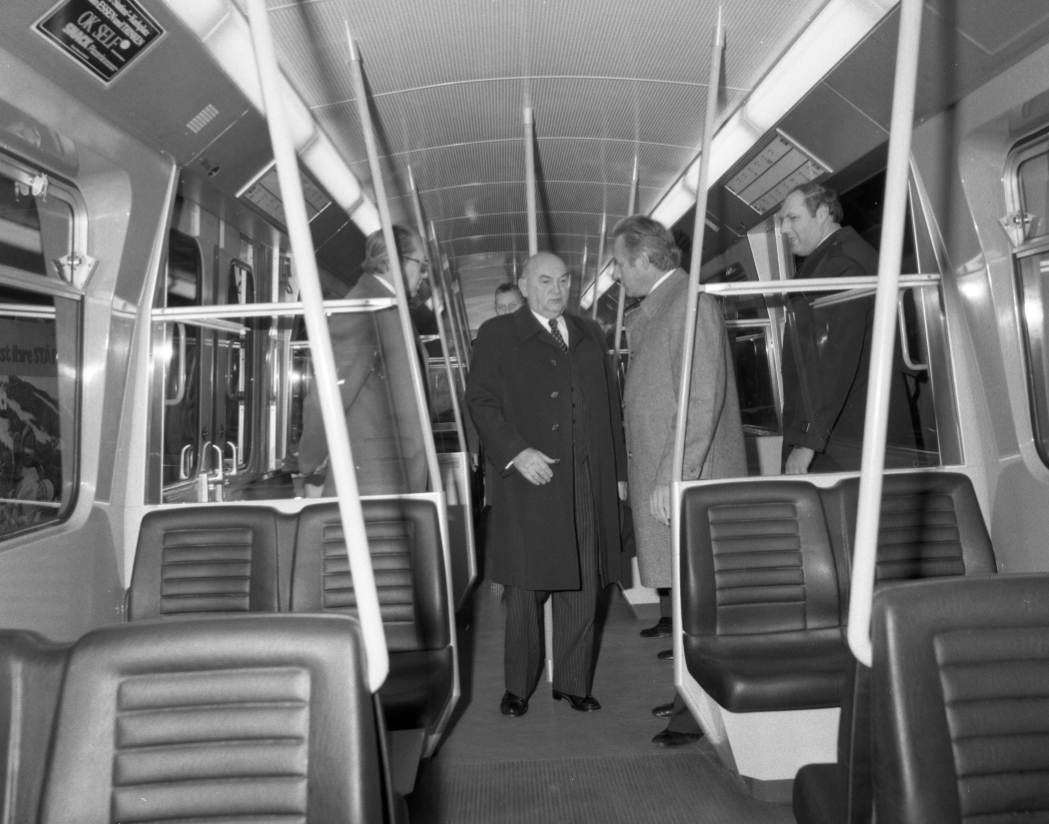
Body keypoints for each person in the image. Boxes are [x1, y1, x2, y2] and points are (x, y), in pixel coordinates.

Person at [465, 252, 628, 717]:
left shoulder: (590, 333)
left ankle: (573, 683)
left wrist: (616, 475)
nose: (556, 290)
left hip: (587, 477)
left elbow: (610, 411)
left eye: (563, 280)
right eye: (544, 281)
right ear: (524, 284)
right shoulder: (497, 335)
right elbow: (480, 401)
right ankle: (518, 686)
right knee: (526, 591)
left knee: (582, 584)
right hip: (531, 480)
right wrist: (517, 451)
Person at [612, 215, 747, 747]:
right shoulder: (665, 307)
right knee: (691, 602)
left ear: (646, 258)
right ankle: (687, 695)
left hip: (690, 479)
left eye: (622, 264)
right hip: (672, 476)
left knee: (701, 599)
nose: (618, 275)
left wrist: (674, 476)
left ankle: (696, 708)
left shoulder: (689, 305)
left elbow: (698, 400)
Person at [298, 225, 430, 496]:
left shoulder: (390, 307)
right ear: (396, 262)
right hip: (371, 483)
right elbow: (330, 394)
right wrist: (309, 466)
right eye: (422, 264)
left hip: (393, 476)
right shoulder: (361, 307)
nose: (425, 273)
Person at [779, 183, 879, 474]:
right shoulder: (829, 260)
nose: (785, 229)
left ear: (822, 213)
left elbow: (833, 360)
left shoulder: (841, 265)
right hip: (839, 435)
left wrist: (805, 444)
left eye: (793, 218)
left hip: (839, 442)